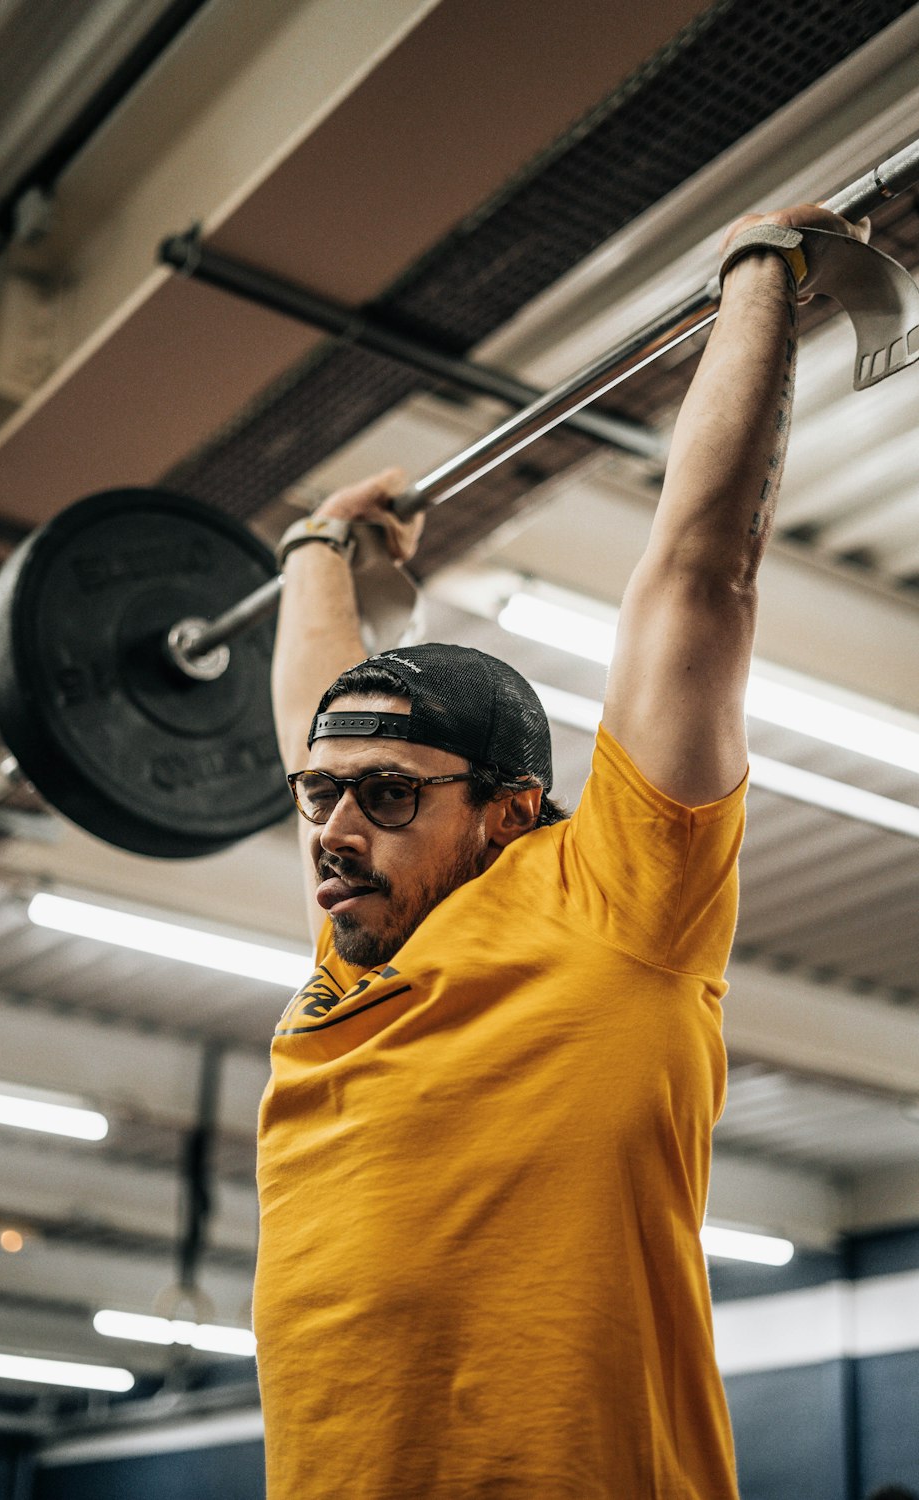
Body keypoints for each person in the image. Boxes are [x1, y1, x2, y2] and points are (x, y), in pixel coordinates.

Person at [252, 202, 868, 1498]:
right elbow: (317, 720)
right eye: (320, 800)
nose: (334, 830)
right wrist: (320, 547)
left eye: (383, 796)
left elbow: (700, 575)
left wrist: (764, 277)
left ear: (510, 810)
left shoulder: (615, 901)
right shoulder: (357, 942)